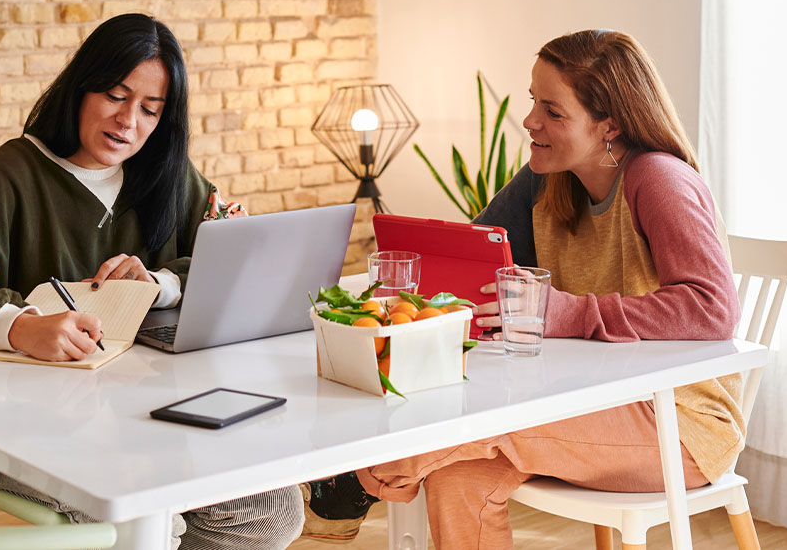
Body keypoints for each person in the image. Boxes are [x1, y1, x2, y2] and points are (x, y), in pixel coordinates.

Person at [302, 29, 742, 547]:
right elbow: (470, 260)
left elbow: (711, 309)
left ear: (610, 125)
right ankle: (349, 482)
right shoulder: (548, 179)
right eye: (534, 101)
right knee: (455, 473)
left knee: (471, 429)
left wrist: (564, 313)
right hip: (583, 399)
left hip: (678, 425)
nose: (530, 121)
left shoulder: (659, 180)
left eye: (553, 111)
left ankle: (344, 484)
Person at [0, 13, 302, 550]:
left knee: (273, 513)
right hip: (33, 430)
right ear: (81, 87)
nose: (128, 122)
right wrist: (22, 327)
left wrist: (163, 282)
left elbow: (247, 253)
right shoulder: (12, 175)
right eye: (115, 96)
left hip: (159, 419)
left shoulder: (167, 175)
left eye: (149, 110)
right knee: (150, 523)